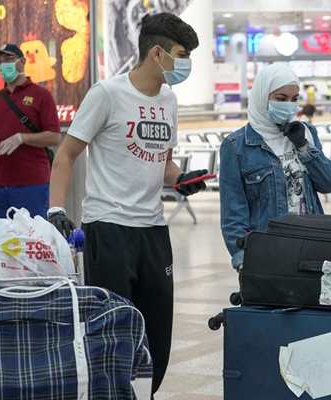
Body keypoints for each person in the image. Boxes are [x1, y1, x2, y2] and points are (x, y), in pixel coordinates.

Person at [47, 13, 204, 393]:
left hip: (153, 231)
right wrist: (56, 210)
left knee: (157, 336)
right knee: (112, 331)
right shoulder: (107, 94)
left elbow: (165, 162)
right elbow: (67, 154)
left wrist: (181, 180)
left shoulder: (169, 98)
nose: (187, 64)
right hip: (109, 228)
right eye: (182, 54)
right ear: (157, 53)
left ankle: (145, 392)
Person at [219, 64, 331, 270]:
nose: (289, 106)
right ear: (262, 96)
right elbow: (233, 212)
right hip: (267, 251)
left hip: (311, 246)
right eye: (281, 99)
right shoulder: (236, 146)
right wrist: (242, 258)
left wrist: (303, 147)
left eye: (294, 99)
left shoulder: (306, 133)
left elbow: (328, 183)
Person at [0, 44, 60, 218]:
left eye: (8, 59)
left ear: (22, 62)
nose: (3, 65)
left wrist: (21, 138)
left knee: (33, 239)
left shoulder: (41, 96)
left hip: (32, 184)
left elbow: (54, 137)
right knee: (1, 242)